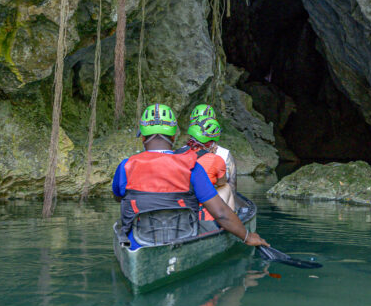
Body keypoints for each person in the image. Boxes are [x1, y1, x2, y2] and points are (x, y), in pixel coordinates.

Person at [112, 103, 266, 247]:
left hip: (139, 240)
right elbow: (221, 213)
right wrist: (247, 236)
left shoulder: (125, 166)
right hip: (185, 235)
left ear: (143, 138)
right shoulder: (192, 166)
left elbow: (118, 197)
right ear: (173, 137)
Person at [185, 117, 236, 212]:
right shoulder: (215, 159)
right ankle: (230, 218)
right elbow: (222, 182)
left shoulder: (176, 154)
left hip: (180, 207)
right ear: (210, 144)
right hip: (202, 212)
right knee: (226, 187)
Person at [189, 104, 237, 194]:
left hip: (187, 201)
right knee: (226, 187)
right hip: (214, 202)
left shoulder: (181, 153)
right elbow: (232, 187)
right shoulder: (225, 155)